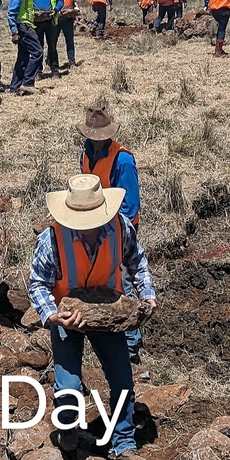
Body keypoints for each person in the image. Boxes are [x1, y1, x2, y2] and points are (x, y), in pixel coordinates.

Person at [28, 174, 158, 460]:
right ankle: (69, 433)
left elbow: (136, 260)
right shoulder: (52, 239)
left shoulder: (119, 227)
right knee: (69, 384)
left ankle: (124, 441)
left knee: (121, 377)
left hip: (109, 314)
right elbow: (37, 284)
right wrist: (52, 315)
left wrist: (146, 294)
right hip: (67, 317)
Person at [76, 106, 145, 364]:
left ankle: (130, 347)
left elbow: (129, 205)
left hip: (118, 228)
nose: (95, 139)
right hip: (94, 226)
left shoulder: (122, 160)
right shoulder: (86, 152)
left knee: (124, 282)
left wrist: (112, 230)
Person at [6, 0, 44, 97]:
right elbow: (11, 11)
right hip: (23, 25)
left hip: (25, 24)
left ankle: (14, 86)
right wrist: (14, 31)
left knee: (23, 56)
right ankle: (27, 83)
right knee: (37, 51)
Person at [32, 0, 63, 77]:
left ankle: (54, 69)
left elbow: (61, 0)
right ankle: (38, 71)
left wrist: (56, 9)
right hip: (37, 20)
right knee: (38, 47)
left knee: (52, 46)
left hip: (51, 20)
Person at [54, 0, 81, 69]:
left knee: (69, 40)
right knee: (53, 41)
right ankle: (51, 62)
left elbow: (74, 1)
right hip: (56, 17)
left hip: (68, 17)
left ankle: (71, 61)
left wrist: (76, 8)